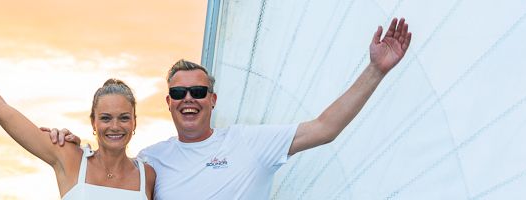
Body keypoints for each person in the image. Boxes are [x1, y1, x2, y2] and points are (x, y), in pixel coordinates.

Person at [47, 18, 413, 199]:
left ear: (212, 99)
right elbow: (105, 176)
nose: (189, 98)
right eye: (180, 93)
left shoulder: (250, 142)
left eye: (198, 91)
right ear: (169, 104)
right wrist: (75, 145)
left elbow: (324, 127)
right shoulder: (150, 163)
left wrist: (375, 71)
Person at [0, 30, 155, 199]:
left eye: (124, 117)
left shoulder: (148, 175)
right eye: (105, 118)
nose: (115, 126)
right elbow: (1, 110)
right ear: (93, 122)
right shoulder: (69, 157)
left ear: (134, 122)